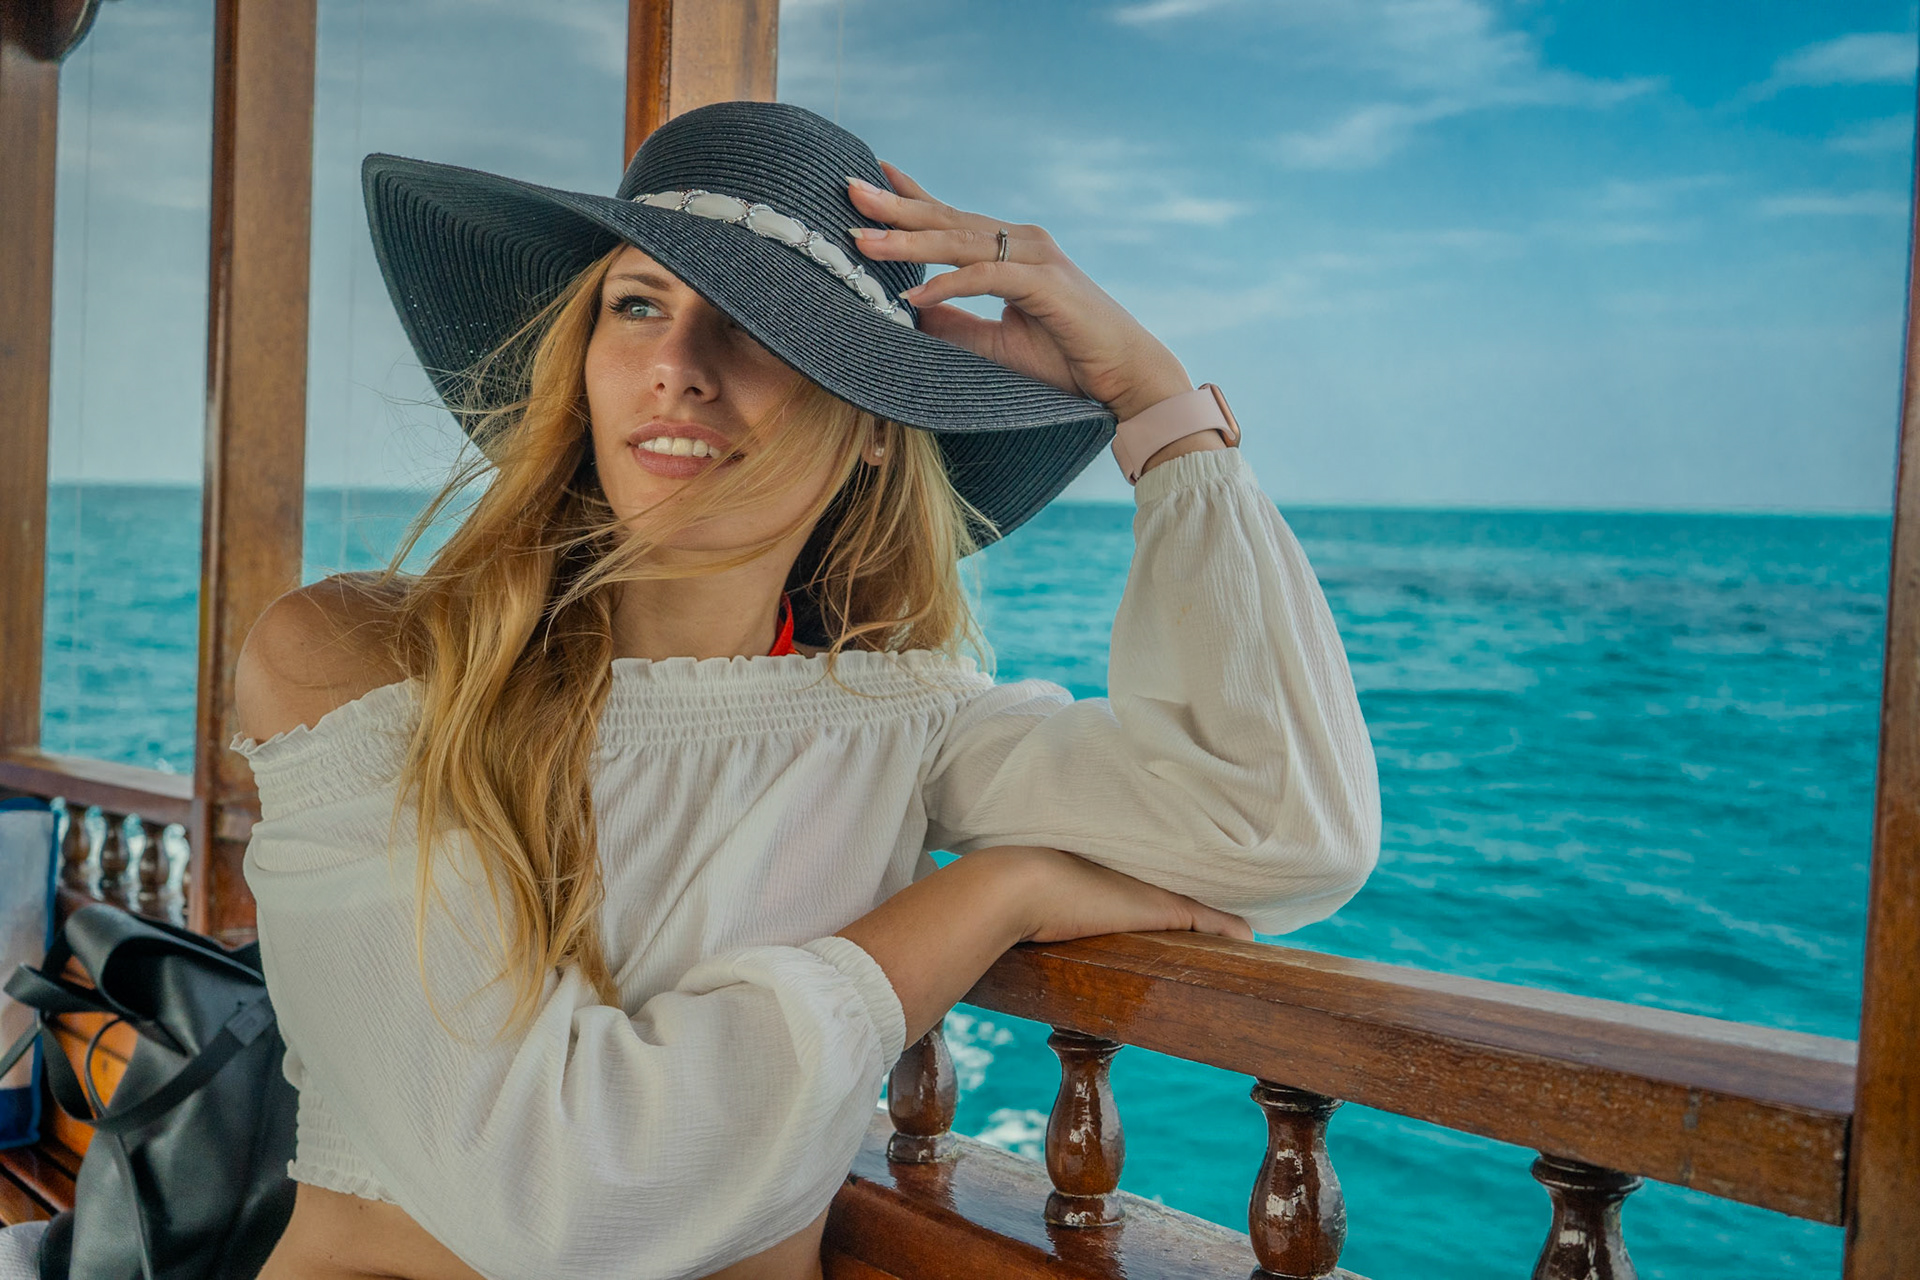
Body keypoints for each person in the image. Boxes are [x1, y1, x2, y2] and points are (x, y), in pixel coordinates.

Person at [229, 100, 1379, 1280]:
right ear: (580, 361)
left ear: (877, 424)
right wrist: (996, 891)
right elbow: (558, 1202)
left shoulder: (901, 718)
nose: (677, 365)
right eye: (639, 305)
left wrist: (1162, 410)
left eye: (760, 324)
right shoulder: (363, 663)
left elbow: (1282, 827)